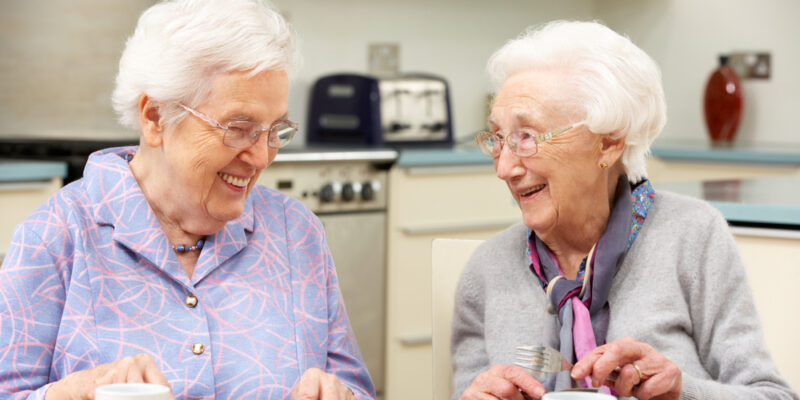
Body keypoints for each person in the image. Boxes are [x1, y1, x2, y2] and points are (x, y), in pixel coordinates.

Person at [0, 1, 374, 399]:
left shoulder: (296, 233)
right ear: (156, 117)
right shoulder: (54, 237)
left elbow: (354, 386)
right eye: (239, 127)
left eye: (275, 129)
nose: (262, 156)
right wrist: (72, 392)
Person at [451, 20, 799, 400]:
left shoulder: (693, 237)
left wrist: (684, 392)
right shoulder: (486, 271)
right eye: (499, 139)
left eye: (527, 137)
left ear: (608, 145)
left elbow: (772, 395)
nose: (504, 168)